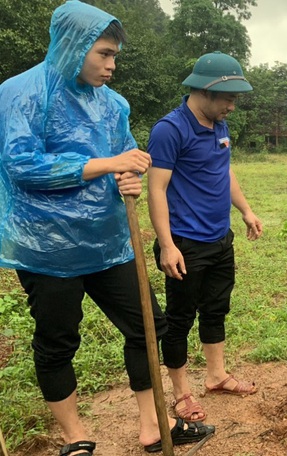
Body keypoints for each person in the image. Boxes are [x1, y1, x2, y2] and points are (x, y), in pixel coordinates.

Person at [0, 2, 215, 454]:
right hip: (47, 248)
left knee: (147, 326)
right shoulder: (21, 92)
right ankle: (76, 438)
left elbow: (128, 152)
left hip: (109, 242)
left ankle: (152, 426)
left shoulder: (113, 103)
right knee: (58, 340)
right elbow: (21, 165)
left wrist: (132, 167)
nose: (112, 65)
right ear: (73, 46)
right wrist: (108, 164)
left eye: (115, 55)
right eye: (103, 54)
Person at [147, 51, 263, 423]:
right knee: (179, 319)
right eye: (228, 97)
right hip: (184, 243)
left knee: (216, 309)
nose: (233, 105)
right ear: (205, 91)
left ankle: (216, 376)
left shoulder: (220, 126)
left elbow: (224, 172)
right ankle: (181, 394)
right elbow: (157, 189)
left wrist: (245, 210)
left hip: (219, 239)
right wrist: (166, 244)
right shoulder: (171, 129)